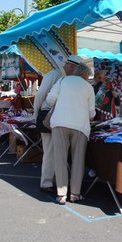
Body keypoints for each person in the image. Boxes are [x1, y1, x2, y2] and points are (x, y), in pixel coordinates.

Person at [46, 62, 96, 204]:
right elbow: (91, 113)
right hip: (80, 126)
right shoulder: (88, 87)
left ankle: (61, 194)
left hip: (60, 122)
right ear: (86, 75)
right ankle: (75, 193)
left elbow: (50, 100)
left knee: (60, 158)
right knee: (78, 160)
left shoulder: (62, 80)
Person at [33, 54, 84, 194]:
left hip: (59, 116)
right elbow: (41, 95)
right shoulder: (55, 74)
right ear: (73, 67)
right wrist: (36, 115)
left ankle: (55, 180)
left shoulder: (66, 77)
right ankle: (46, 182)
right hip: (48, 115)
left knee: (58, 151)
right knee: (50, 150)